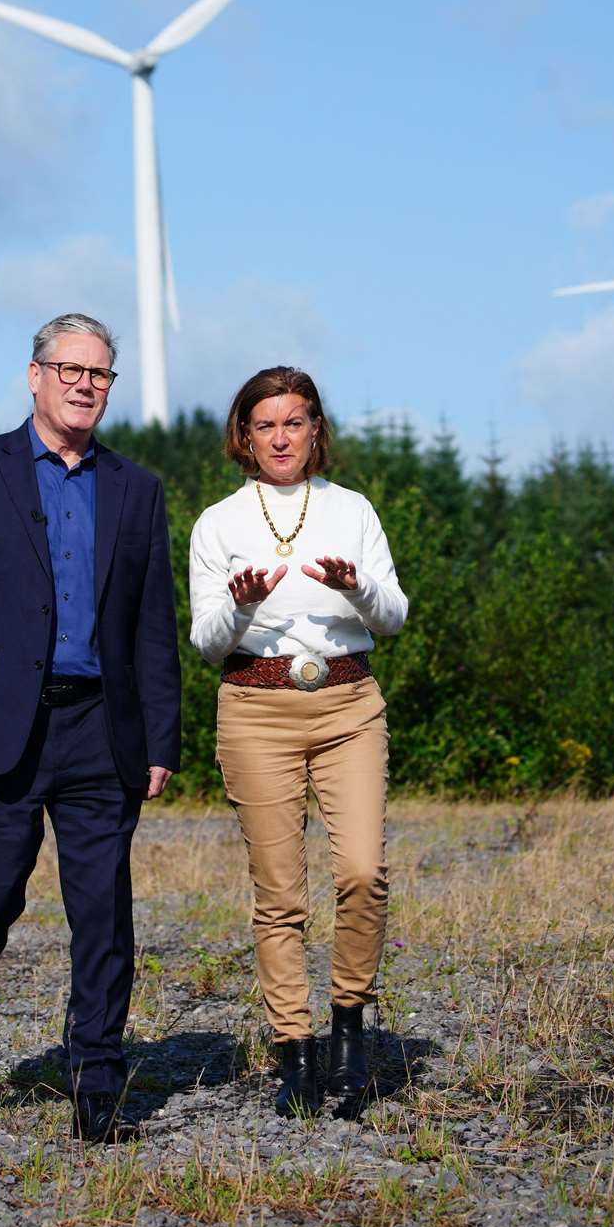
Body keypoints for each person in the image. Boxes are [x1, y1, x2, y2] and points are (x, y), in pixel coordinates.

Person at [0, 313, 181, 1142]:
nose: (84, 384)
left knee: (103, 911)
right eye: (69, 369)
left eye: (100, 374)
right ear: (34, 375)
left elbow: (153, 626)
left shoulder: (137, 489)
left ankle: (96, 1075)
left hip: (104, 732)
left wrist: (162, 740)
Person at [189, 366, 407, 1119]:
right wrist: (243, 606)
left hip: (348, 702)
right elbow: (206, 640)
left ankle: (349, 1023)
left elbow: (394, 616)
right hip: (255, 707)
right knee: (279, 896)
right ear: (244, 437)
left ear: (316, 429)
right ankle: (296, 1050)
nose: (281, 436)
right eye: (266, 424)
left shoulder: (353, 511)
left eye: (295, 421)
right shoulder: (218, 523)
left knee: (362, 871)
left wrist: (355, 587)